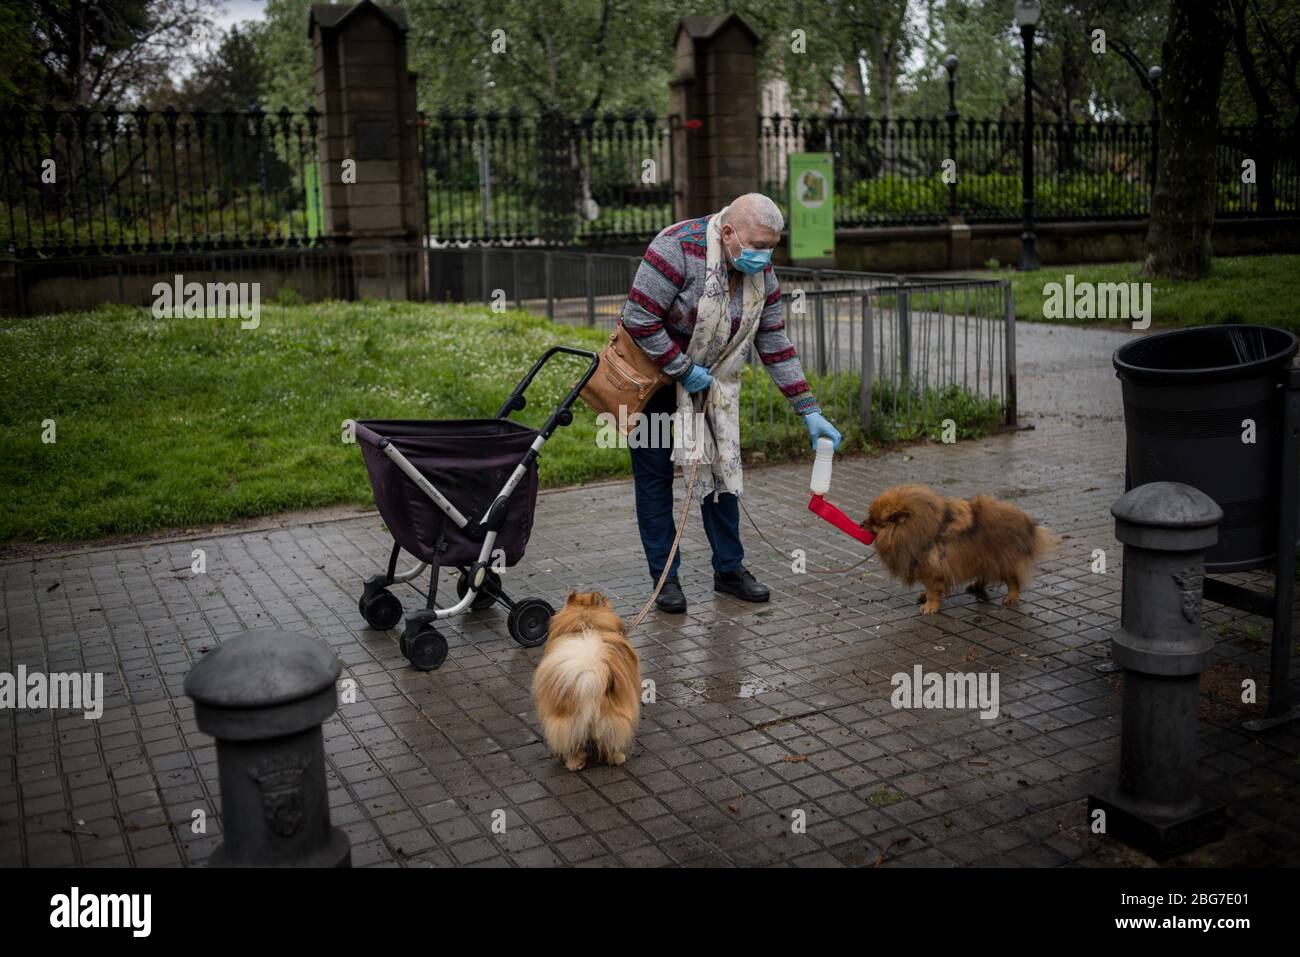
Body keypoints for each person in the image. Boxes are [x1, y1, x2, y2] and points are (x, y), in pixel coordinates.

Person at [621, 192, 841, 613]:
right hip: (650, 383)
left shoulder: (759, 271)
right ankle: (664, 578)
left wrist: (809, 409)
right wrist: (682, 368)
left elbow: (774, 341)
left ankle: (729, 569)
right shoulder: (674, 248)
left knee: (721, 471)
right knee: (653, 477)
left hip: (710, 385)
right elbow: (639, 319)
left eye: (772, 246)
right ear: (727, 232)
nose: (764, 256)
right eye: (758, 245)